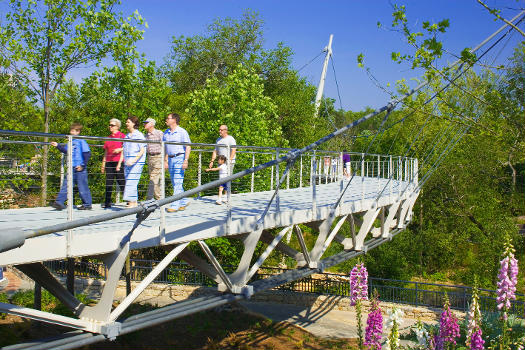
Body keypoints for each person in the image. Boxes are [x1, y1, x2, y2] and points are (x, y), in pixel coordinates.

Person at [51, 122, 92, 210]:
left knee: (82, 186)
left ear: (78, 132)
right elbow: (66, 151)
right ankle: (59, 202)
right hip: (71, 167)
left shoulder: (81, 141)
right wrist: (57, 145)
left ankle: (87, 204)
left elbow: (87, 154)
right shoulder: (70, 141)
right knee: (66, 185)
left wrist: (83, 165)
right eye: (71, 131)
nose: (71, 132)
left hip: (79, 167)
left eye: (73, 131)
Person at [163, 113, 191, 213]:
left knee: (178, 181)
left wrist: (186, 160)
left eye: (168, 118)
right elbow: (166, 148)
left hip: (179, 157)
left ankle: (175, 205)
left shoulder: (182, 132)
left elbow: (188, 146)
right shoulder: (166, 133)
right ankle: (183, 201)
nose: (166, 119)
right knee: (175, 182)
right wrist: (165, 160)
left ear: (174, 120)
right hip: (170, 159)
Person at [101, 118, 125, 209]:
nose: (110, 126)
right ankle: (107, 202)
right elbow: (106, 152)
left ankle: (129, 200)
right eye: (109, 125)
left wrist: (120, 149)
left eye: (112, 125)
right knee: (108, 182)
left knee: (121, 181)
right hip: (109, 162)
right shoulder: (108, 138)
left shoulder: (122, 136)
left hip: (119, 161)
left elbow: (126, 147)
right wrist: (103, 164)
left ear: (117, 126)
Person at [123, 116, 146, 208]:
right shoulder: (127, 136)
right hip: (128, 162)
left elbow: (142, 150)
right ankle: (133, 201)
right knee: (131, 180)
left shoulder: (139, 135)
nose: (126, 124)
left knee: (131, 180)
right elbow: (124, 149)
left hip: (136, 162)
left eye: (128, 122)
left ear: (133, 123)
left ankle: (132, 201)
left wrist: (134, 160)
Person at [143, 117, 164, 200]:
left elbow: (164, 145)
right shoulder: (146, 136)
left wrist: (165, 159)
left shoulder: (159, 133)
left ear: (152, 124)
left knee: (153, 178)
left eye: (146, 123)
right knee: (154, 180)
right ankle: (160, 199)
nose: (144, 124)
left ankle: (150, 199)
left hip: (158, 157)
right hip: (150, 158)